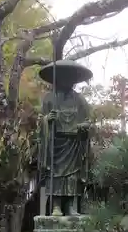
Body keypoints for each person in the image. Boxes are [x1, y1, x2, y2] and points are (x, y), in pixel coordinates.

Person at [37, 59, 93, 216]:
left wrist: (83, 127)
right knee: (55, 174)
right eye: (63, 77)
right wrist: (48, 119)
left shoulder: (80, 99)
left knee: (72, 175)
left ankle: (70, 207)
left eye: (70, 78)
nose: (67, 81)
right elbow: (41, 120)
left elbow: (88, 122)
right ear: (58, 78)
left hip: (74, 143)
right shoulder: (49, 98)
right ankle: (56, 206)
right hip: (55, 144)